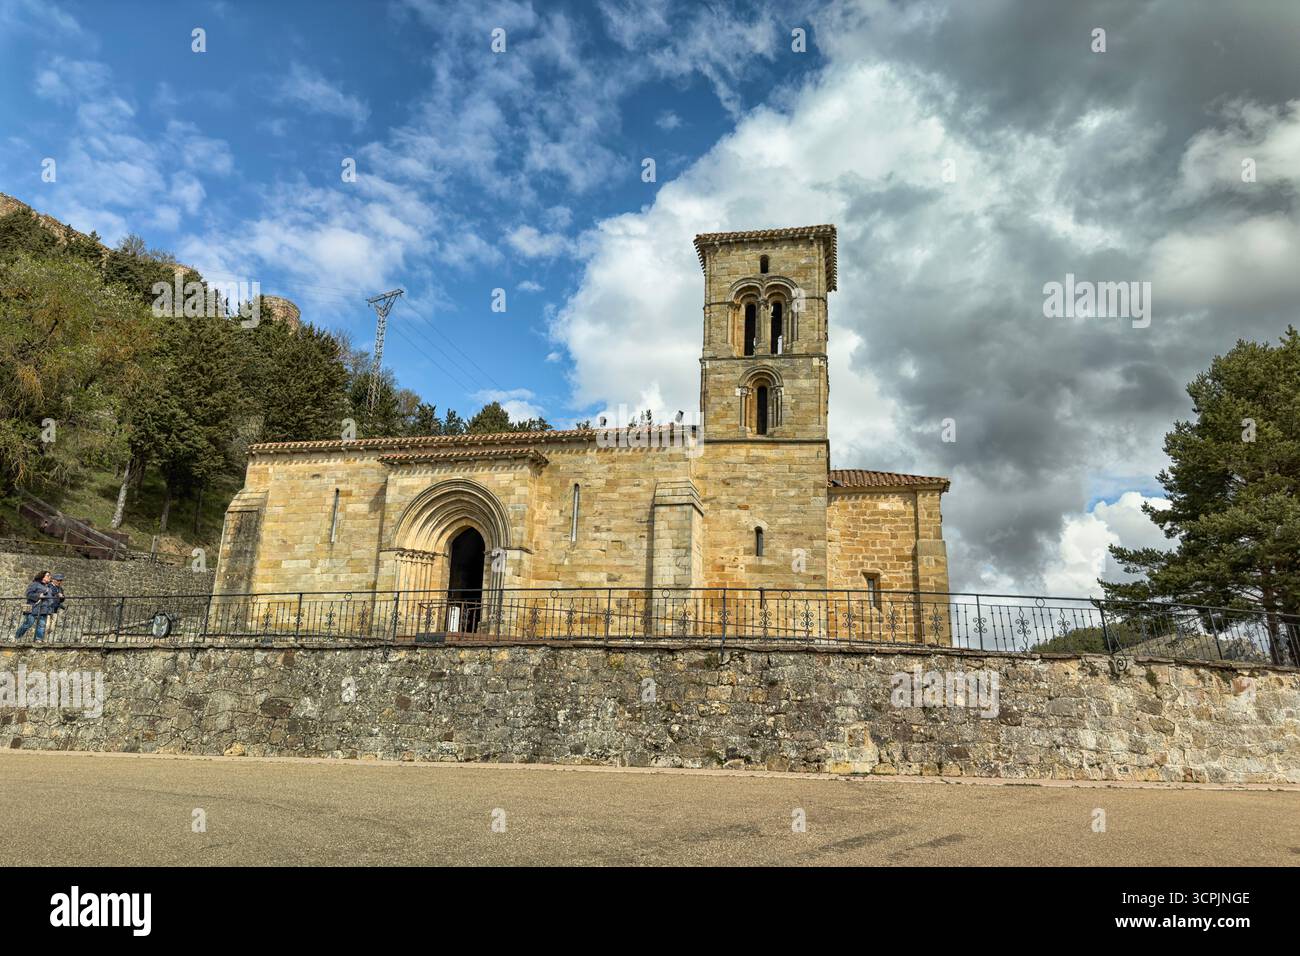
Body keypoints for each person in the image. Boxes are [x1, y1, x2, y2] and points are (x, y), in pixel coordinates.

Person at [15, 571, 54, 642]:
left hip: (44, 609)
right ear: (42, 576)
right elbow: (28, 594)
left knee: (41, 626)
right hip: (34, 609)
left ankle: (38, 640)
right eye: (48, 575)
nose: (49, 577)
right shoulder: (35, 584)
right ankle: (16, 638)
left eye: (49, 576)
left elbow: (50, 598)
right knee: (27, 624)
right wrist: (38, 595)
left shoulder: (49, 587)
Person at [46, 572, 66, 640]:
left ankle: (45, 639)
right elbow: (48, 596)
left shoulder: (60, 588)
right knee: (47, 626)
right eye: (58, 580)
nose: (59, 582)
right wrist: (57, 595)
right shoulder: (48, 586)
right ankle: (43, 640)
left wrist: (62, 597)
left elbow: (62, 599)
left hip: (55, 609)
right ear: (53, 580)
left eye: (60, 580)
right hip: (48, 609)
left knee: (52, 628)